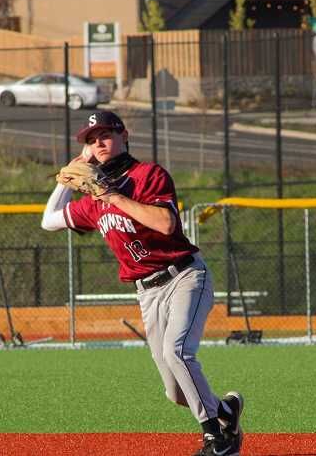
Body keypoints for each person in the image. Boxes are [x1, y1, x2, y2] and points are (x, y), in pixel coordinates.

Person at [41, 111, 245, 456]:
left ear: (124, 135)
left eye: (105, 135)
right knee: (176, 392)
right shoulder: (92, 201)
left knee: (177, 352)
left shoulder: (148, 175)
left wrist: (114, 196)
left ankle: (217, 439)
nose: (99, 143)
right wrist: (67, 177)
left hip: (184, 276)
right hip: (146, 292)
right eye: (92, 140)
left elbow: (166, 224)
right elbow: (48, 221)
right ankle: (226, 412)